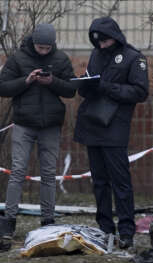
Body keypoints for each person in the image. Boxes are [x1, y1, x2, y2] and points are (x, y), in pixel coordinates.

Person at [74, 17, 149, 249]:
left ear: (115, 37)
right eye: (98, 42)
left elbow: (140, 91)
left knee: (120, 181)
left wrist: (107, 87)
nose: (102, 45)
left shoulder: (134, 58)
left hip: (115, 126)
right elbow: (91, 81)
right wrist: (84, 85)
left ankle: (126, 230)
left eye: (105, 41)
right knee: (99, 181)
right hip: (92, 124)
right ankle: (105, 227)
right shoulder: (97, 54)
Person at [0, 24, 76, 246]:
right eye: (40, 47)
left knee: (49, 174)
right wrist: (27, 80)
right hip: (24, 123)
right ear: (33, 43)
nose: (43, 51)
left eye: (47, 48)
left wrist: (52, 81)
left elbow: (71, 89)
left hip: (51, 124)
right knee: (18, 172)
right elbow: (2, 87)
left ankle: (48, 221)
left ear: (53, 45)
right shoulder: (18, 59)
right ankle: (9, 221)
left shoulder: (61, 59)